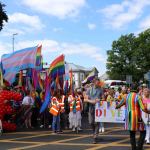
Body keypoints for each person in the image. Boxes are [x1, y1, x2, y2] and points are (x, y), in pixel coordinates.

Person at [84, 77, 103, 144]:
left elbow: (103, 98)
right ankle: (94, 132)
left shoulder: (100, 90)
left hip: (98, 108)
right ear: (94, 82)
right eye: (97, 83)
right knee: (91, 122)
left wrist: (100, 100)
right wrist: (91, 101)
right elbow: (85, 99)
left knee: (97, 122)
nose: (98, 84)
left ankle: (95, 136)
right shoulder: (89, 90)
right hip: (91, 107)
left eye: (99, 83)